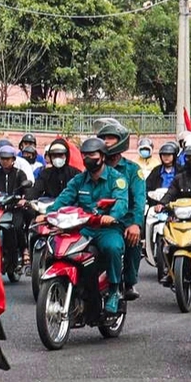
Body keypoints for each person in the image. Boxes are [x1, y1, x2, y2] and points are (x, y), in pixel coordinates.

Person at [44, 135, 136, 317]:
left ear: (102, 156)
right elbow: (64, 198)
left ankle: (114, 291)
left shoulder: (117, 179)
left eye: (91, 155)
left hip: (107, 229)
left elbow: (121, 202)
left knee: (113, 247)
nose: (87, 159)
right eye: (84, 155)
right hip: (83, 228)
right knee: (59, 246)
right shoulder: (79, 180)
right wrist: (47, 214)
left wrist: (111, 216)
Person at [95, 118, 149, 299]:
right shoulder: (94, 167)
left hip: (124, 219)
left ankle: (128, 282)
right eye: (103, 138)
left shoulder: (133, 170)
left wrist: (135, 224)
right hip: (95, 219)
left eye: (111, 138)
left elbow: (140, 200)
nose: (106, 142)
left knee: (132, 239)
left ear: (121, 142)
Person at [32, 138, 78, 202]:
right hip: (49, 208)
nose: (57, 158)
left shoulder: (75, 174)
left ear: (66, 156)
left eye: (60, 155)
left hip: (71, 208)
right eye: (54, 155)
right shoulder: (44, 173)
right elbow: (36, 190)